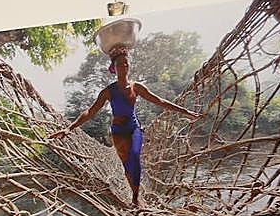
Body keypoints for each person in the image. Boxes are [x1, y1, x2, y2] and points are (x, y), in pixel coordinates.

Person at [49, 43, 201, 207]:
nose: (123, 66)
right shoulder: (108, 91)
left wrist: (185, 112)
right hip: (118, 132)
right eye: (119, 64)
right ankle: (134, 194)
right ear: (113, 68)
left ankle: (135, 197)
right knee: (127, 165)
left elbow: (160, 101)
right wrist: (69, 128)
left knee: (135, 158)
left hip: (134, 128)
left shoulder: (137, 87)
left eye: (126, 63)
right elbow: (90, 112)